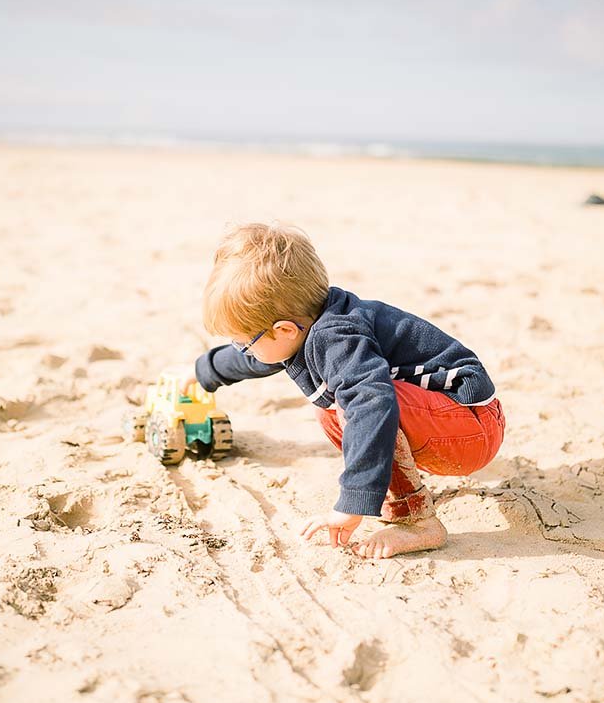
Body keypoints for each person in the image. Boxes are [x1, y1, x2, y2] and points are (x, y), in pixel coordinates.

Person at [187, 222, 505, 559]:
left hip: (471, 426)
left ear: (283, 330)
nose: (243, 351)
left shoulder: (336, 337)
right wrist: (200, 373)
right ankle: (403, 496)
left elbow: (371, 404)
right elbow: (259, 360)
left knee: (353, 405)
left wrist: (353, 501)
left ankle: (417, 522)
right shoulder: (304, 324)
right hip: (450, 421)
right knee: (334, 411)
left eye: (244, 343)